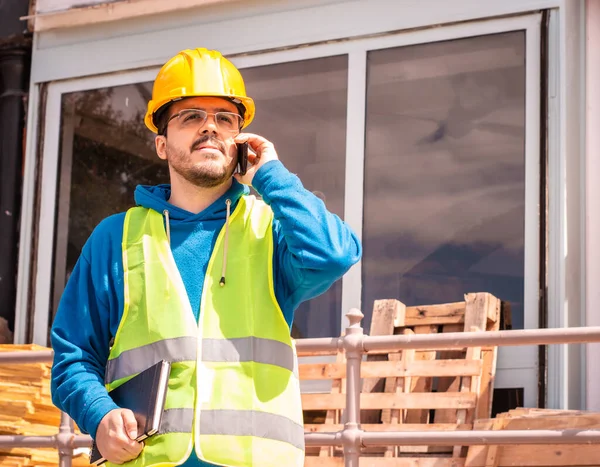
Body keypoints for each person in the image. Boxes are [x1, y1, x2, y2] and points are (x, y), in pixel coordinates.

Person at [50, 47, 361, 467]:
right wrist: (100, 416)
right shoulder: (115, 239)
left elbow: (333, 255)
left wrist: (269, 175)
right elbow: (73, 359)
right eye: (191, 116)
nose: (210, 127)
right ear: (161, 144)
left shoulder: (270, 230)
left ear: (241, 141)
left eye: (225, 118)